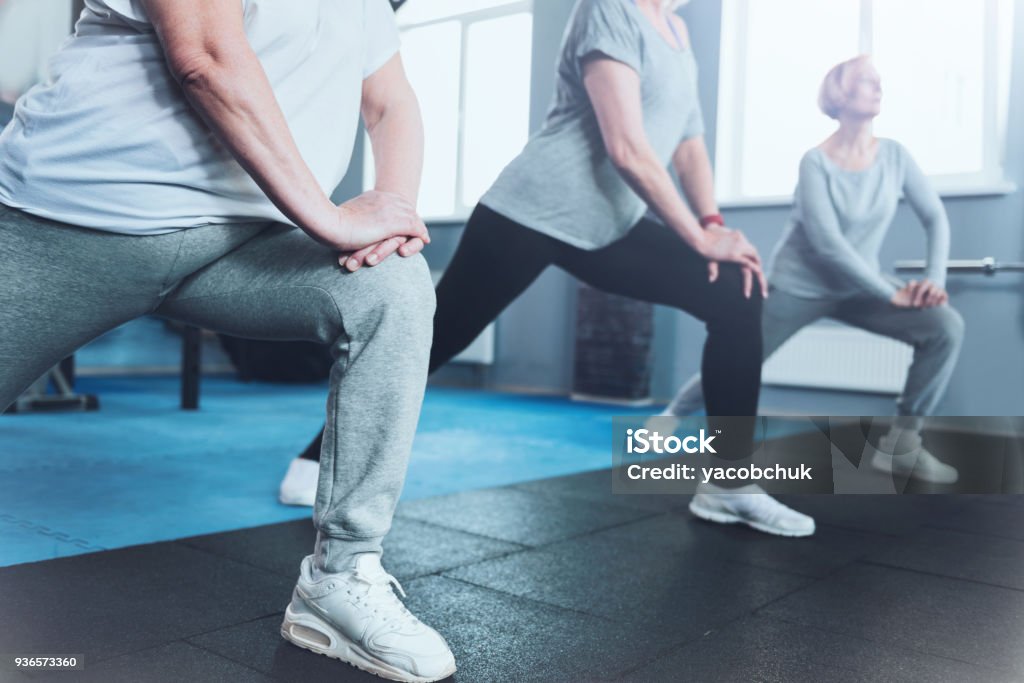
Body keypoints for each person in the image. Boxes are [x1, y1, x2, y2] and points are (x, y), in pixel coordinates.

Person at [0, 0, 457, 680]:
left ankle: (343, 576)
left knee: (391, 285)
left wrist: (391, 211)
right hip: (69, 225)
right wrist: (330, 218)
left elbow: (389, 101)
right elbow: (207, 60)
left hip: (239, 247)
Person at [280, 0, 817, 538]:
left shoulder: (677, 33)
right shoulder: (611, 9)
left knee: (737, 292)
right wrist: (698, 238)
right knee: (432, 339)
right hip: (532, 210)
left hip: (611, 224)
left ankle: (729, 484)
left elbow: (689, 147)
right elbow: (627, 147)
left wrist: (713, 223)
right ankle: (314, 456)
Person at [661, 55, 964, 484]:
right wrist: (888, 292)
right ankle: (672, 415)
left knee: (944, 326)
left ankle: (902, 446)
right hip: (801, 285)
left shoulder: (895, 156)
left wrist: (934, 280)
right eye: (866, 81)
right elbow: (828, 245)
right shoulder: (815, 162)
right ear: (840, 93)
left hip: (861, 287)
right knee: (741, 355)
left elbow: (935, 217)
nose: (878, 88)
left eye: (879, 82)